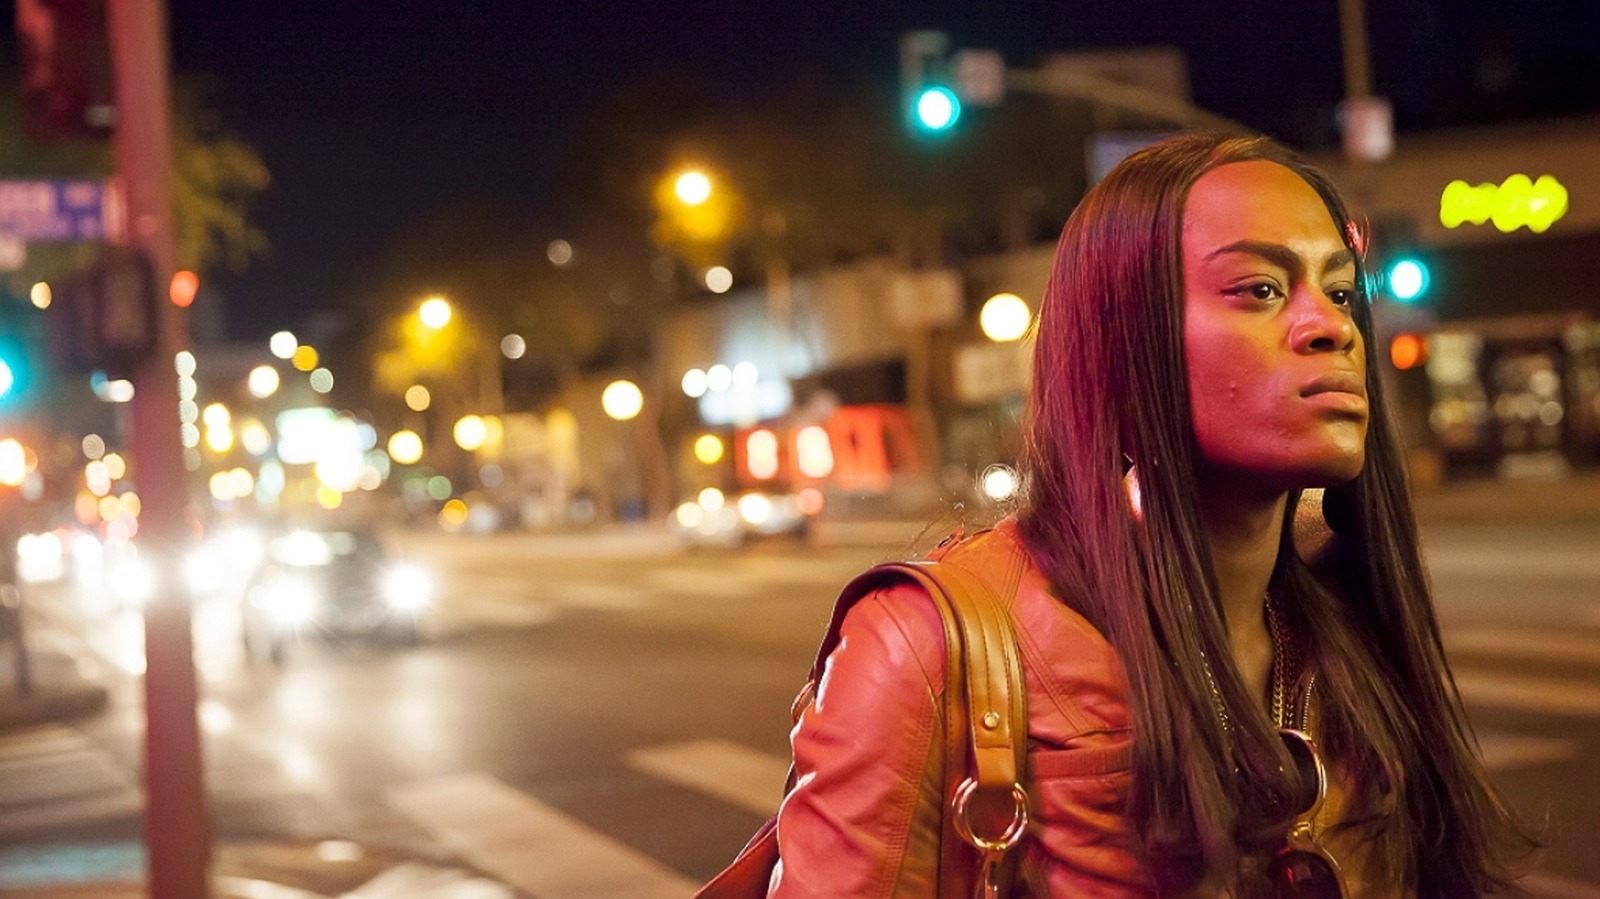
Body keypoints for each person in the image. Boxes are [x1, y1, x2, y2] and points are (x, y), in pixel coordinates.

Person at [760, 133, 1535, 897]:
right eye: (1261, 289)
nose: (1331, 327)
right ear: (1125, 345)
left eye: (1339, 292)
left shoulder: (1348, 625)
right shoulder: (921, 645)